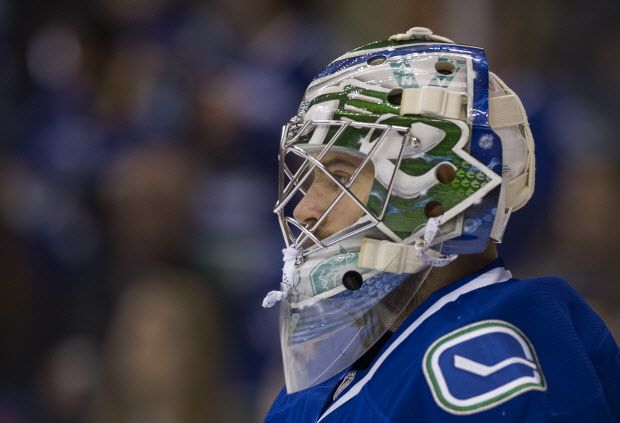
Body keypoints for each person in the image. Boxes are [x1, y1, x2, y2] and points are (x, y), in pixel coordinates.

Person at [261, 27, 620, 422]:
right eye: (311, 180)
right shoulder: (361, 354)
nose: (304, 209)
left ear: (439, 186)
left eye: (342, 176)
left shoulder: (486, 363)